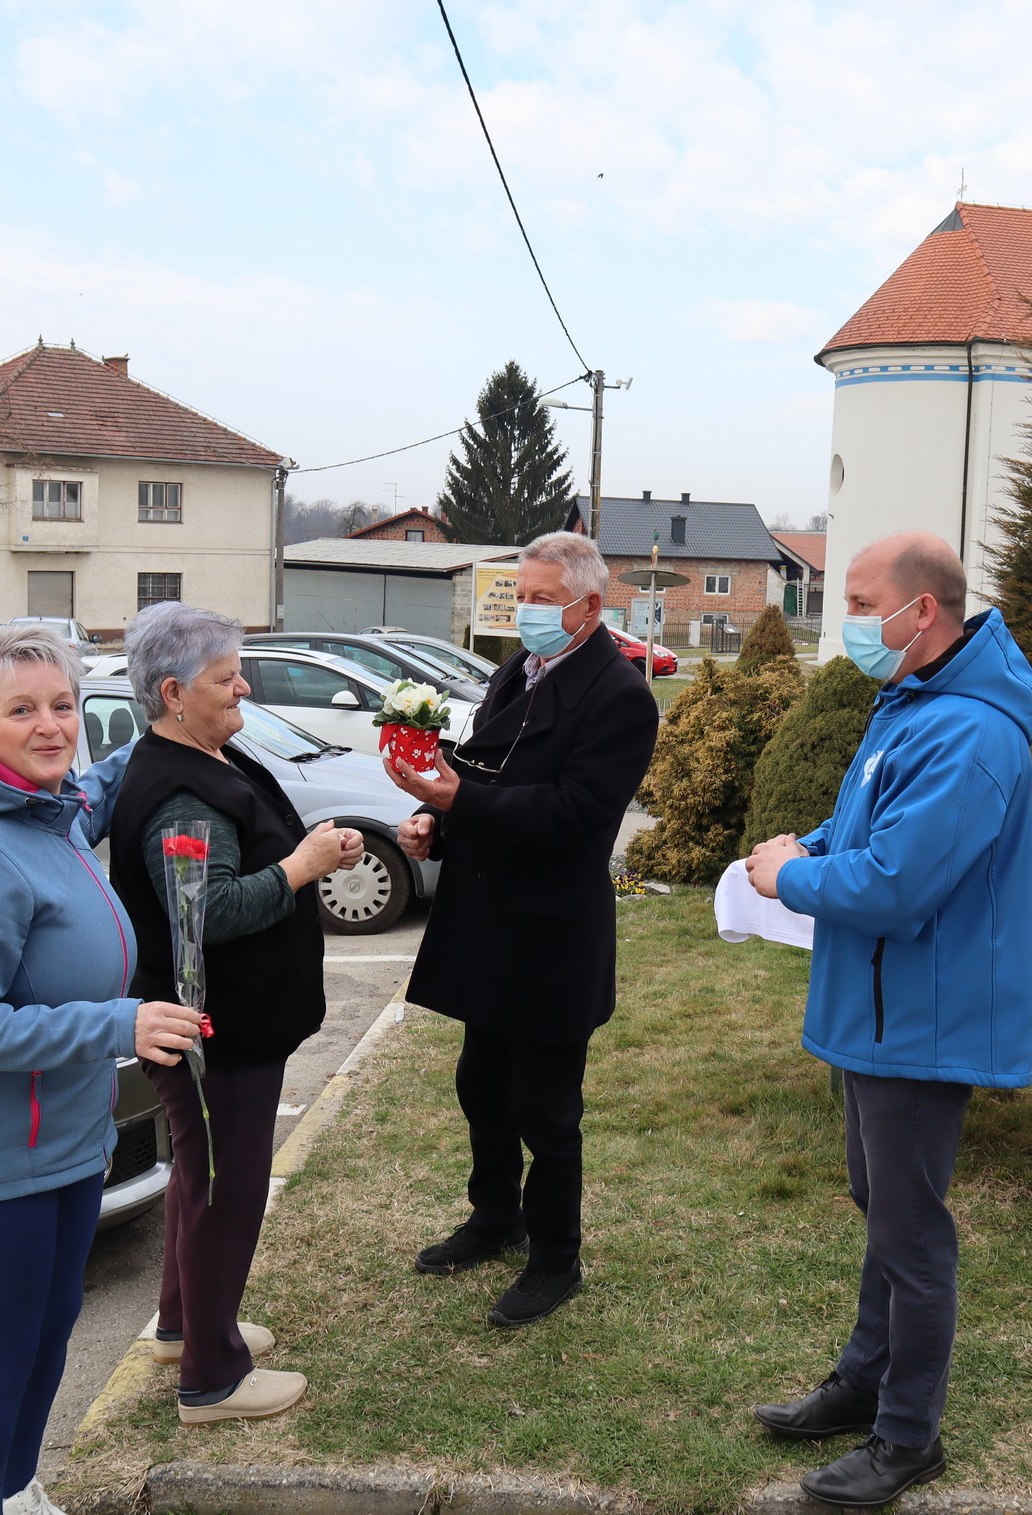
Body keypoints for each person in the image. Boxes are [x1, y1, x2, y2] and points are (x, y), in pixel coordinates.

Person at [742, 530, 1032, 1510]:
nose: (847, 621)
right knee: (882, 1208)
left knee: (913, 1235)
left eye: (863, 603)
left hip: (922, 1017)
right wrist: (808, 842)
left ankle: (906, 1435)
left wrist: (791, 877)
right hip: (876, 1008)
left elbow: (897, 885)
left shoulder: (973, 733)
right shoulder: (911, 704)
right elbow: (864, 826)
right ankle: (862, 1380)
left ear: (924, 613)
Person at [0, 625, 205, 1515]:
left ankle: (19, 1492)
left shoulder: (52, 811)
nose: (49, 725)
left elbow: (99, 783)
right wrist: (121, 1022)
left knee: (49, 1335)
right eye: (20, 709)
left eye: (63, 705)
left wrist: (176, 717)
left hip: (68, 1143)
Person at [385, 530, 661, 1328]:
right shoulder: (521, 669)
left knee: (545, 1104)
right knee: (481, 1082)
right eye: (522, 595)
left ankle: (555, 1255)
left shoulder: (618, 695)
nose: (526, 611)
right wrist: (430, 819)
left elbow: (575, 817)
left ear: (590, 608)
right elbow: (481, 770)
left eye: (542, 599)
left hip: (550, 931)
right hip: (488, 919)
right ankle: (494, 1213)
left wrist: (456, 805)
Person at [106, 602, 362, 1423]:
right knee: (225, 1188)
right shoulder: (180, 791)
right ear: (174, 693)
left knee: (199, 1178)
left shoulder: (202, 753)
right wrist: (302, 865)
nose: (244, 684)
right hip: (218, 1039)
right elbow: (205, 914)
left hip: (228, 1030)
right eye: (226, 677)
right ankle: (212, 1378)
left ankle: (186, 1326)